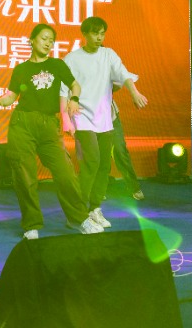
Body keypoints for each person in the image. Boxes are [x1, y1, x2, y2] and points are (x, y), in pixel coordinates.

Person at [0, 23, 102, 240]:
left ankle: (79, 218)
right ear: (32, 40)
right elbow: (12, 96)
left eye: (51, 40)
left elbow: (75, 86)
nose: (48, 43)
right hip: (23, 124)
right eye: (44, 38)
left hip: (49, 125)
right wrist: (3, 100)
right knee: (25, 176)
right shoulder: (21, 69)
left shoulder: (57, 64)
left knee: (65, 173)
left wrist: (74, 99)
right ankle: (31, 225)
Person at [62, 17, 148, 228]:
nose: (99, 37)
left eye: (102, 33)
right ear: (85, 34)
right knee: (91, 161)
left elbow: (124, 75)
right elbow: (63, 90)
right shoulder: (72, 59)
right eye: (95, 33)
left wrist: (134, 92)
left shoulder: (108, 54)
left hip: (104, 118)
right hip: (82, 116)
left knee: (103, 165)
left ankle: (94, 209)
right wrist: (65, 119)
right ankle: (78, 212)